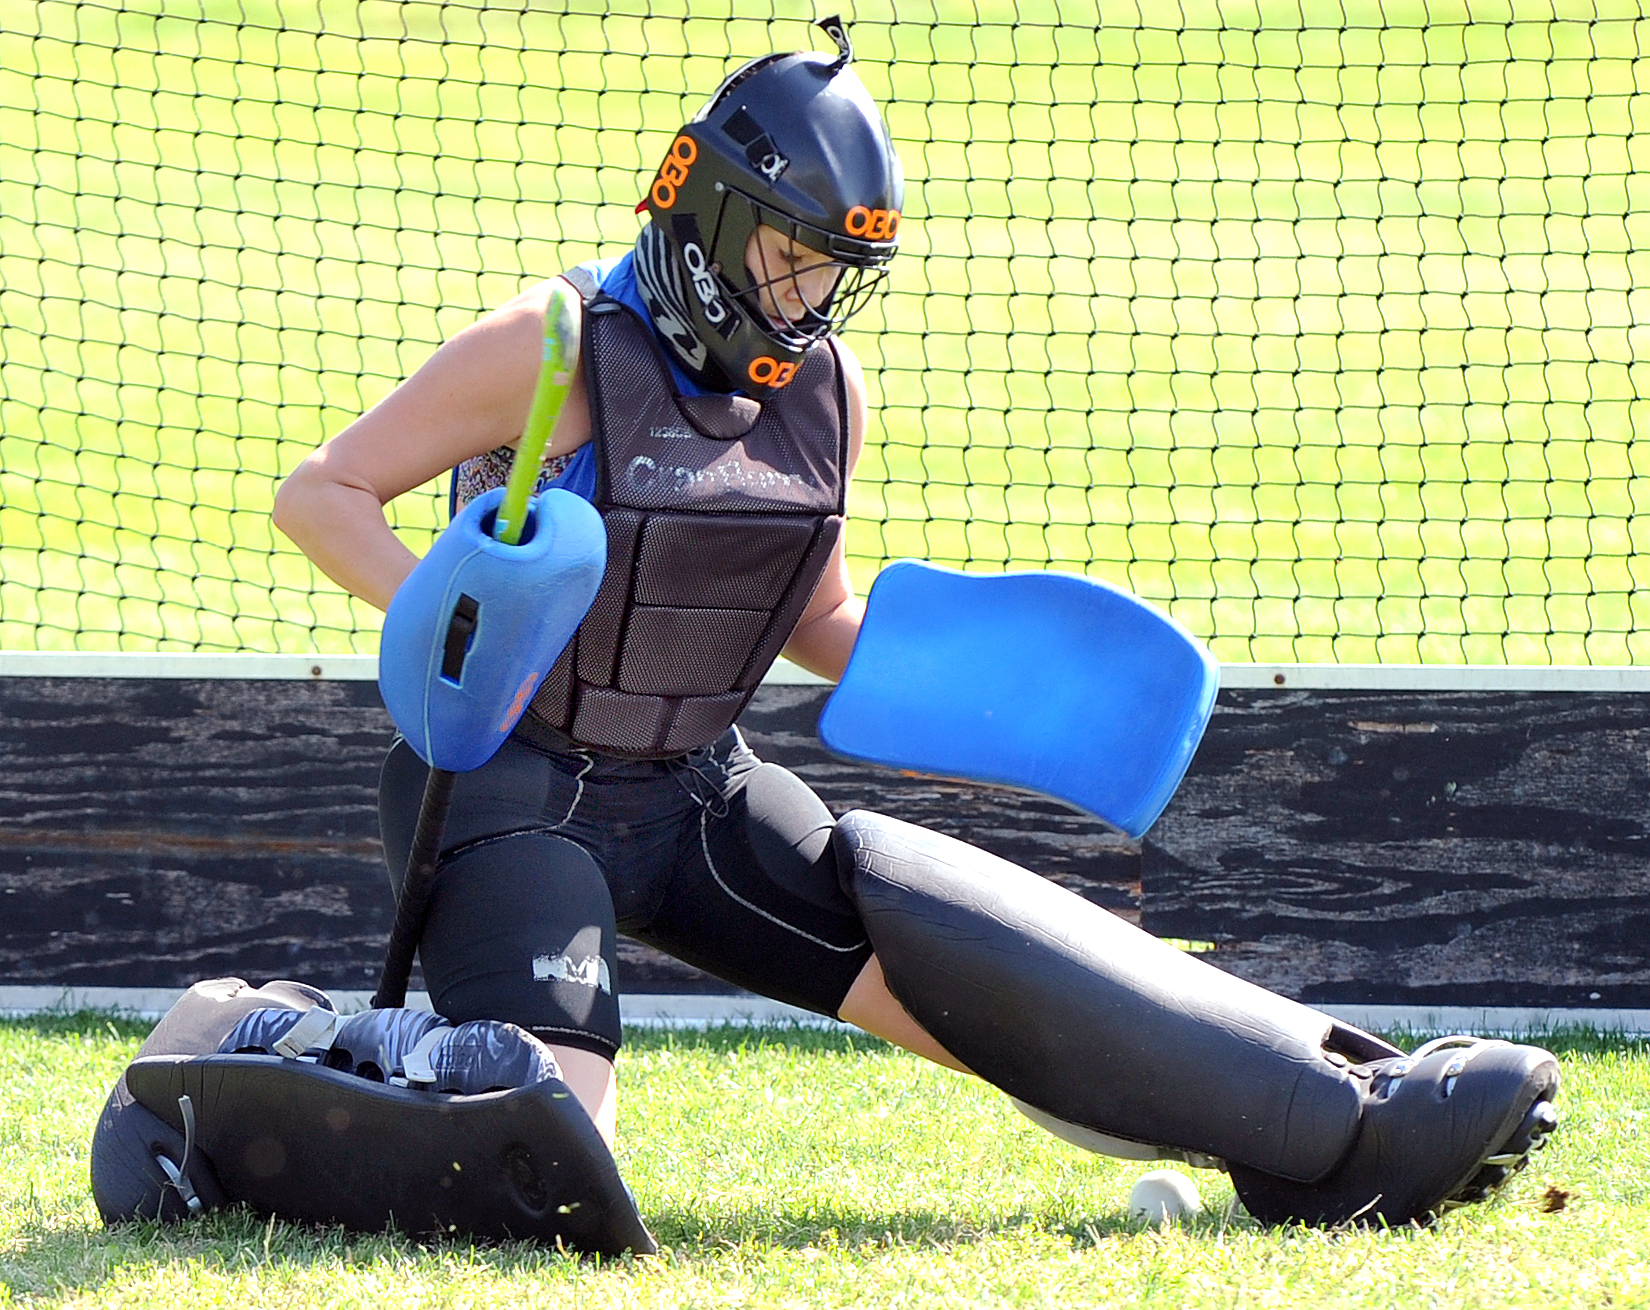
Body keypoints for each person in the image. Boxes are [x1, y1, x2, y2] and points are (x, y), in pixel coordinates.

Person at [272, 20, 1560, 1230]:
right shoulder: (550, 345)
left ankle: (1334, 1129)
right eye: (791, 254)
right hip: (507, 792)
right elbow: (321, 494)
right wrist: (467, 631)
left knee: (967, 975)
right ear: (709, 211)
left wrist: (1006, 684)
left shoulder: (823, 389)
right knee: (557, 1177)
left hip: (692, 795)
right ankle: (288, 1051)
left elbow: (815, 617)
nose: (810, 295)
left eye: (837, 270)